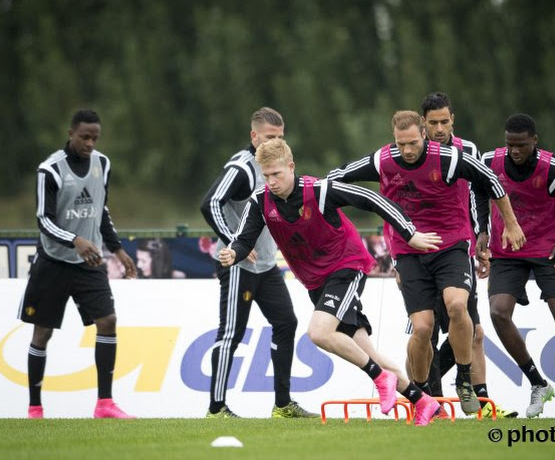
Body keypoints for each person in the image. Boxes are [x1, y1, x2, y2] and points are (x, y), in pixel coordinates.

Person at [219, 138, 444, 426]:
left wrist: (409, 232)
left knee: (319, 332)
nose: (271, 181)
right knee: (368, 352)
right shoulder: (261, 201)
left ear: (291, 167)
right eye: (266, 175)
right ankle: (423, 402)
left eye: (276, 174)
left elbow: (372, 199)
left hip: (347, 267)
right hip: (317, 282)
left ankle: (380, 377)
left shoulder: (320, 190)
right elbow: (244, 239)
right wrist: (232, 253)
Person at [328, 110, 525, 415]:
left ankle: (463, 380)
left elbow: (491, 181)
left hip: (451, 246)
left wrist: (510, 225)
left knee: (458, 307)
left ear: (423, 134)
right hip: (408, 253)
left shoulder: (449, 158)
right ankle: (422, 399)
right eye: (400, 143)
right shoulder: (383, 160)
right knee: (422, 329)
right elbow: (334, 179)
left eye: (412, 143)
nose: (406, 150)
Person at [475, 113, 555, 419]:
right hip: (507, 250)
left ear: (534, 140)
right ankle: (537, 383)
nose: (515, 151)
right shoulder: (491, 160)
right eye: (510, 145)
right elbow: (477, 190)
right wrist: (482, 230)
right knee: (498, 312)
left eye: (521, 145)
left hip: (547, 249)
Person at [18, 109, 137, 419]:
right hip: (54, 263)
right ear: (70, 133)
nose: (90, 143)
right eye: (84, 137)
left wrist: (118, 250)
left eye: (95, 138)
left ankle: (104, 404)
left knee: (108, 321)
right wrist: (76, 240)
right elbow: (44, 220)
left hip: (90, 262)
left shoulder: (103, 164)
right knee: (42, 334)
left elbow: (101, 211)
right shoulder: (50, 169)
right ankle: (35, 407)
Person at [199, 107, 314, 419]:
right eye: (268, 137)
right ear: (253, 136)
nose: (274, 143)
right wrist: (236, 242)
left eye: (279, 137)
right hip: (238, 265)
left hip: (265, 265)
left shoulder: (275, 166)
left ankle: (282, 404)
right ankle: (216, 408)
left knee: (286, 323)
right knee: (231, 334)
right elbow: (209, 202)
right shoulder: (242, 168)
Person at [418, 92, 518, 418]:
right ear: (423, 124)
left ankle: (482, 406)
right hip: (419, 253)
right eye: (432, 123)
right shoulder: (411, 154)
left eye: (444, 121)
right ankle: (429, 403)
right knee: (426, 332)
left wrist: (480, 239)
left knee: (474, 331)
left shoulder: (469, 151)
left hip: (457, 249)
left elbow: (480, 194)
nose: (439, 128)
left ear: (453, 119)